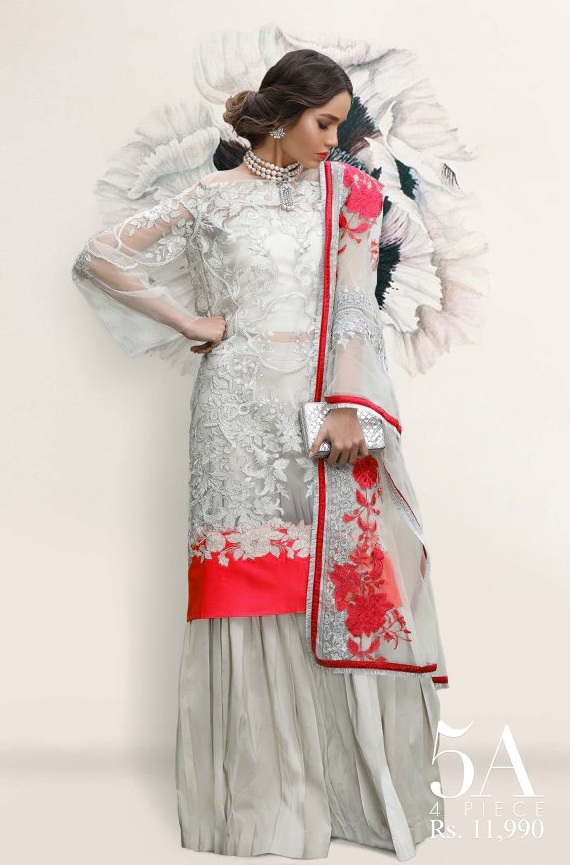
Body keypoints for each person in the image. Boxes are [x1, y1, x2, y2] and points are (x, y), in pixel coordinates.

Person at [72, 48, 449, 862]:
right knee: (246, 587)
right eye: (323, 123)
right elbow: (100, 254)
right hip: (234, 415)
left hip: (320, 410)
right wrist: (189, 322)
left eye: (340, 126)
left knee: (335, 581)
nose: (334, 140)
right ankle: (263, 812)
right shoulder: (211, 197)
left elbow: (356, 306)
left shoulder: (348, 196)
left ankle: (346, 798)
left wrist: (349, 404)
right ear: (282, 115)